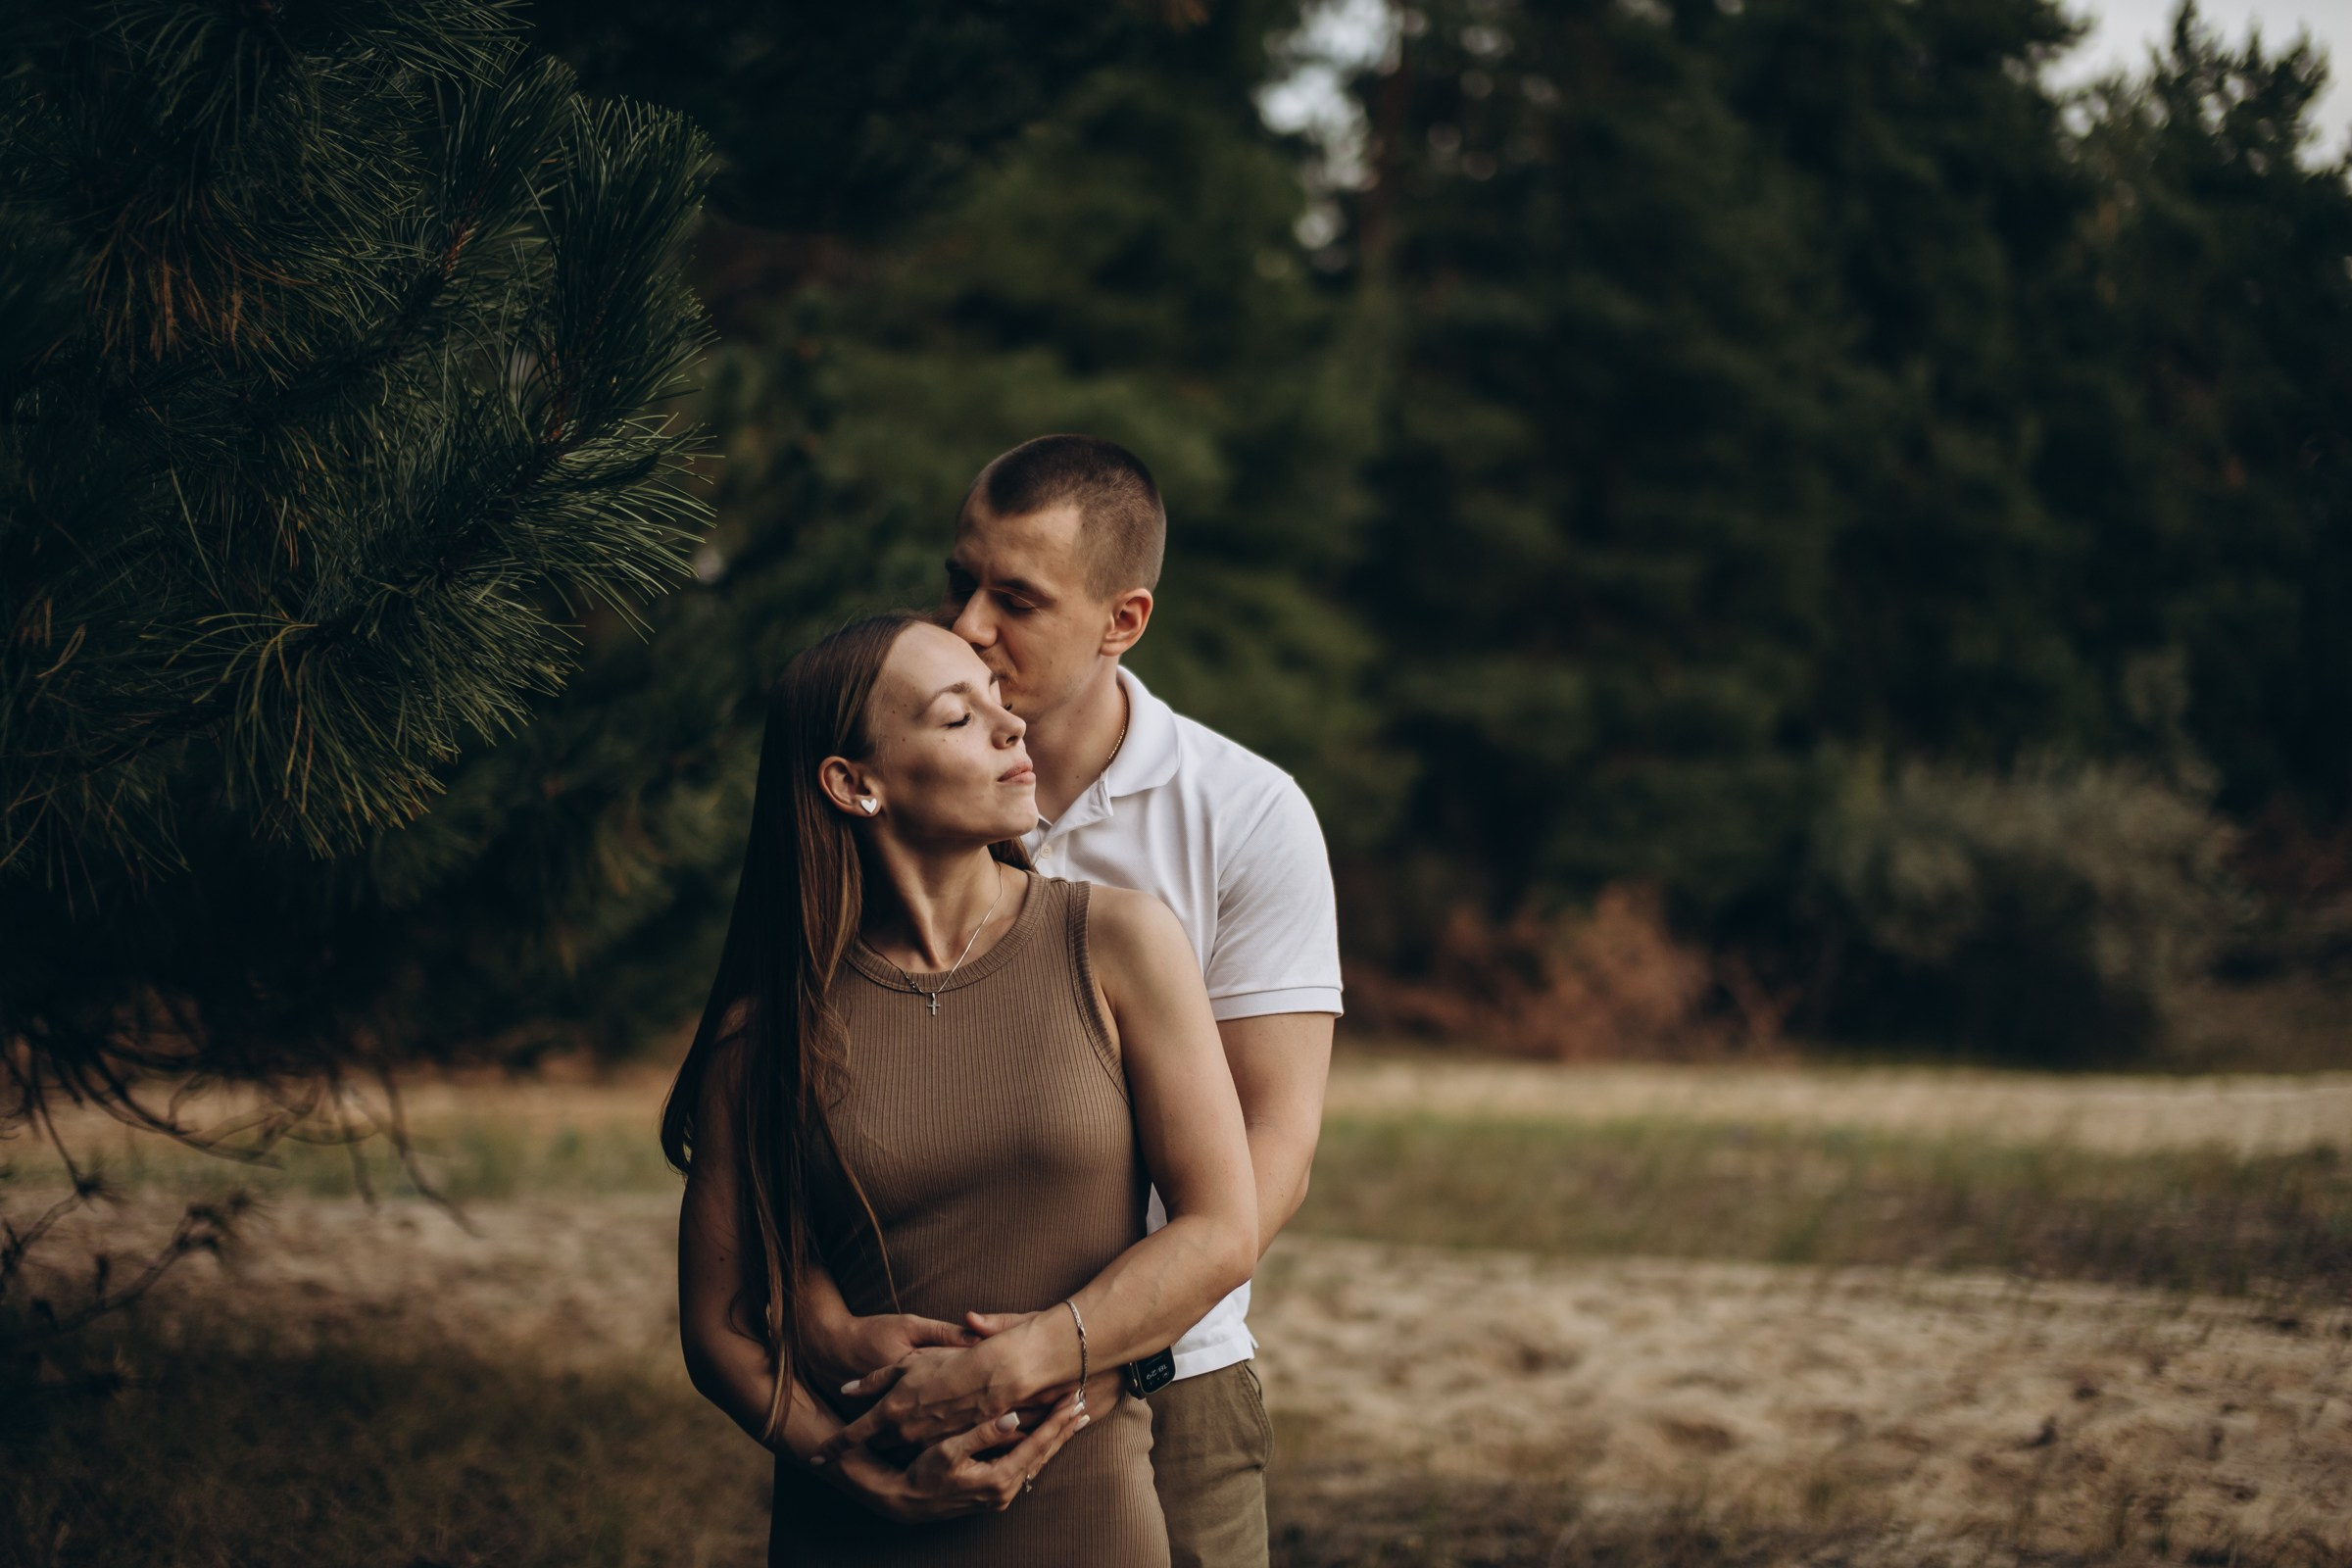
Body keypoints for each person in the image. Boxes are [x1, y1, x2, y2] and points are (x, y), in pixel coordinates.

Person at [806, 436, 1344, 1568]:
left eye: (1016, 599)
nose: (965, 626)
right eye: (960, 579)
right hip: (905, 1384)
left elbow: (1271, 1156)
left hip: (1167, 1382)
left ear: (1123, 620)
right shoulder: (875, 804)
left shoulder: (1247, 817)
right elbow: (772, 1119)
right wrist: (830, 1331)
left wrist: (1079, 1353)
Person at [663, 611, 1258, 1566]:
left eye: (998, 702)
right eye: (955, 717)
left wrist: (1012, 1365)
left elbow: (1222, 1227)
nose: (1010, 726)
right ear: (854, 783)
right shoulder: (768, 1026)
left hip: (1088, 1505)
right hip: (852, 1528)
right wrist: (860, 1477)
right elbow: (719, 1325)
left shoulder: (1117, 941)